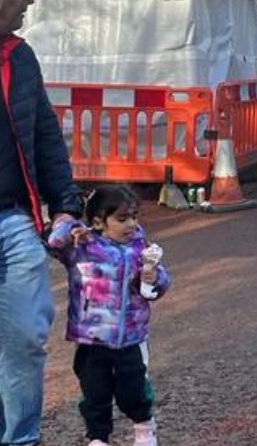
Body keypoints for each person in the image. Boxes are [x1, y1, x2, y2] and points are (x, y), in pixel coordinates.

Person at [0, 0, 84, 446]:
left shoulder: (21, 56)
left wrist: (67, 203)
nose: (29, 2)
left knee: (26, 337)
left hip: (15, 221)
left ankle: (21, 438)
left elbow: (45, 135)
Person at [48, 186, 170, 446]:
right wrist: (71, 228)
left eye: (135, 217)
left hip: (130, 337)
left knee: (133, 389)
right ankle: (98, 437)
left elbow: (159, 285)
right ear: (98, 222)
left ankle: (144, 426)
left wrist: (154, 278)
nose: (131, 225)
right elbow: (53, 242)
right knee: (94, 392)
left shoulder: (141, 249)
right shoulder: (81, 247)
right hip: (91, 338)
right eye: (122, 219)